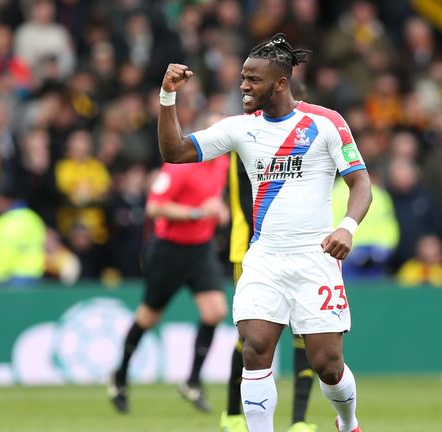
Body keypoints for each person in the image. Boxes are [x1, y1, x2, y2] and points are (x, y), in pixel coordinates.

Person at [157, 33, 372, 432]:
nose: (243, 86)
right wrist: (168, 98)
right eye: (242, 77)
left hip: (316, 259)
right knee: (255, 349)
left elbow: (361, 184)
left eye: (252, 79)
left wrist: (347, 227)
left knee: (327, 365)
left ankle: (348, 423)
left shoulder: (327, 123)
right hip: (265, 260)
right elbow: (174, 152)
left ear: (280, 84)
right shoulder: (239, 129)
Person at [221, 78, 318, 432]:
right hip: (251, 247)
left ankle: (300, 421)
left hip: (297, 248)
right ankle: (232, 414)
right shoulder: (248, 134)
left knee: (304, 331)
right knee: (250, 338)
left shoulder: (307, 139)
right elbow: (249, 200)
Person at [108, 154, 231, 414]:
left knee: (215, 311)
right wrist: (198, 212)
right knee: (147, 317)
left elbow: (215, 198)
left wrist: (221, 210)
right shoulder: (180, 166)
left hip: (201, 250)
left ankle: (192, 381)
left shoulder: (223, 163)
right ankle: (119, 377)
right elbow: (154, 207)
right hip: (170, 251)